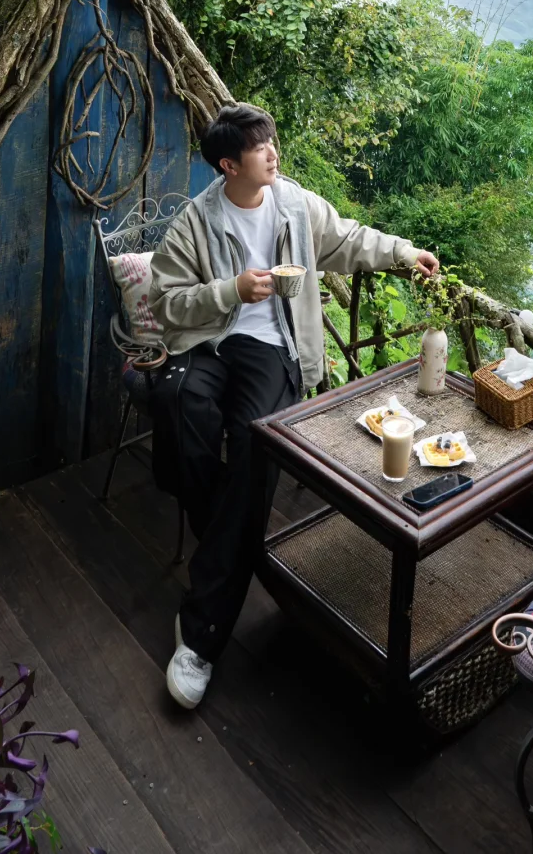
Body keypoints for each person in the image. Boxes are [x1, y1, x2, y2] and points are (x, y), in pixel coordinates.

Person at [147, 102, 439, 710]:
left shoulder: (294, 204)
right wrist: (231, 289)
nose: (273, 152)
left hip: (272, 346)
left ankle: (200, 632)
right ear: (229, 165)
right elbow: (165, 304)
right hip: (207, 341)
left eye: (272, 139)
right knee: (176, 401)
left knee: (256, 439)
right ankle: (230, 533)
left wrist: (405, 253)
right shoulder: (194, 224)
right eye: (259, 147)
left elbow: (349, 238)